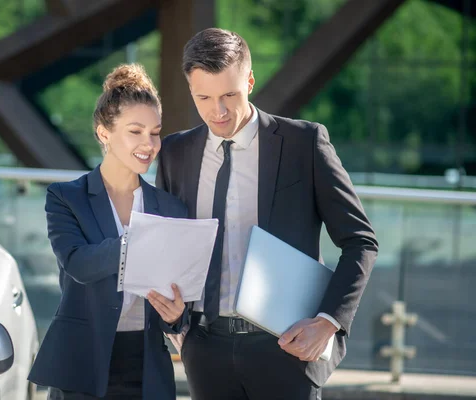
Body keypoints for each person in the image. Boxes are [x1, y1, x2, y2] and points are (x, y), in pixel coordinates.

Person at [156, 28, 379, 400]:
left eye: (230, 94)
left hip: (286, 348)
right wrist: (177, 325)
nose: (219, 111)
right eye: (204, 98)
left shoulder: (303, 144)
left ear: (250, 80)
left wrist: (327, 323)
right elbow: (167, 246)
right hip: (203, 349)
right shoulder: (175, 154)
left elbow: (361, 242)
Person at [28, 63, 188, 400]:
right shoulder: (66, 197)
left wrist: (176, 316)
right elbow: (79, 264)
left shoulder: (171, 208)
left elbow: (178, 291)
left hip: (147, 368)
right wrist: (141, 241)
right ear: (104, 133)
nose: (150, 143)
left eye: (155, 132)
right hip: (81, 366)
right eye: (136, 131)